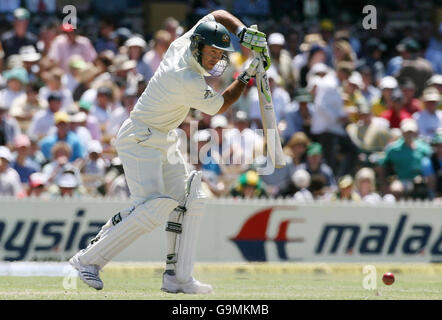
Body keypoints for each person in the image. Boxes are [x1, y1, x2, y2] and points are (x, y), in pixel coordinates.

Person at [69, 10, 270, 294]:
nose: (216, 59)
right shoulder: (184, 77)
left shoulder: (187, 41)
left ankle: (179, 278)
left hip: (164, 137)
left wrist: (242, 32)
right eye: (212, 52)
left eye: (220, 54)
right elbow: (221, 105)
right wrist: (248, 73)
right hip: (139, 138)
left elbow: (218, 14)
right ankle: (87, 261)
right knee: (154, 207)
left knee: (191, 200)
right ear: (198, 47)